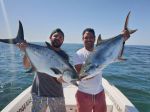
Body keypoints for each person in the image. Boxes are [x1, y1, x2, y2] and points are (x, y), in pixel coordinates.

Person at [73, 28, 130, 112]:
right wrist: (97, 67)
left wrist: (123, 40)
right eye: (86, 37)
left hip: (99, 94)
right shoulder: (78, 54)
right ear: (82, 39)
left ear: (95, 38)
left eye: (91, 37)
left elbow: (116, 57)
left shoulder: (102, 50)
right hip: (83, 94)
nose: (88, 39)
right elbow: (82, 75)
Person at [17, 28, 68, 112]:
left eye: (61, 37)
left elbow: (63, 76)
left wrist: (62, 80)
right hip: (38, 93)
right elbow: (26, 66)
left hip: (56, 94)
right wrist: (25, 51)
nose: (58, 38)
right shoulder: (39, 50)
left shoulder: (64, 56)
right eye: (55, 36)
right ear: (50, 37)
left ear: (63, 40)